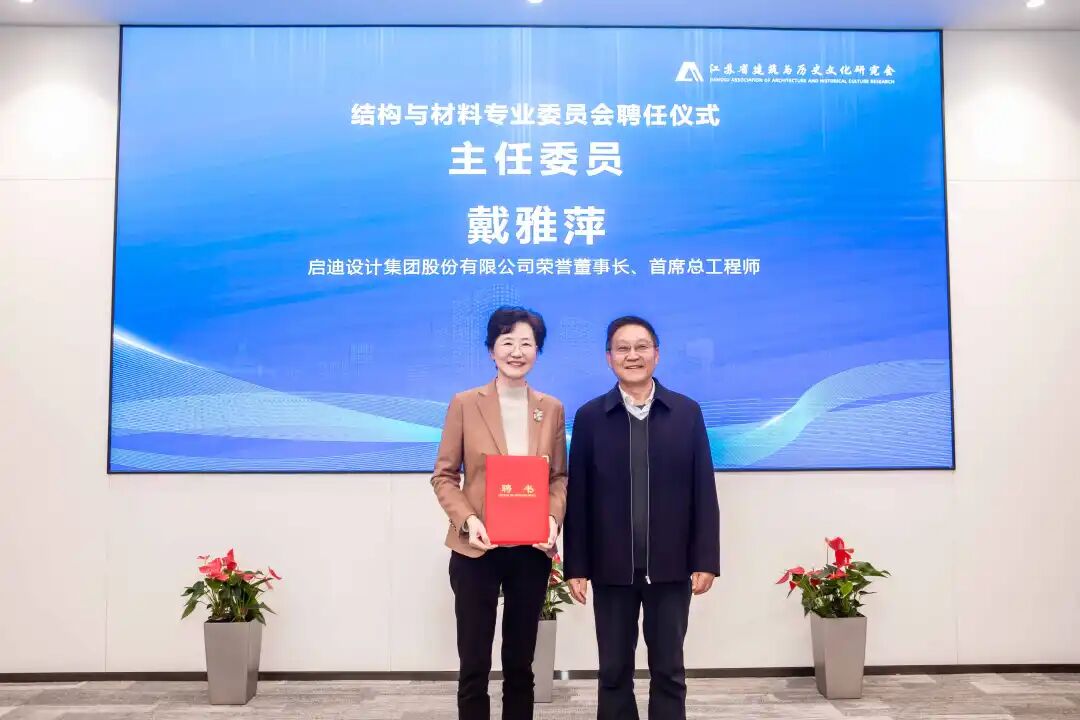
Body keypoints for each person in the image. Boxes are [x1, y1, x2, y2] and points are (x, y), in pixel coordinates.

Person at [563, 315, 720, 720]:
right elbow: (578, 498)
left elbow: (703, 489)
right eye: (622, 348)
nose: (632, 355)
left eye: (641, 347)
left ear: (656, 354)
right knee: (613, 671)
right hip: (611, 568)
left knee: (669, 670)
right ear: (609, 357)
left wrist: (706, 559)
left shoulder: (686, 412)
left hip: (671, 567)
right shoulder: (590, 417)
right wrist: (576, 565)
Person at [431, 306, 568, 720]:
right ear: (491, 349)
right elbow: (444, 476)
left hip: (530, 551)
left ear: (537, 351)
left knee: (521, 664)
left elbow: (558, 478)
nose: (516, 351)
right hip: (477, 549)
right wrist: (468, 520)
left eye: (527, 343)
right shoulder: (464, 403)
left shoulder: (551, 408)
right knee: (474, 663)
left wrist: (551, 519)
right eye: (507, 342)